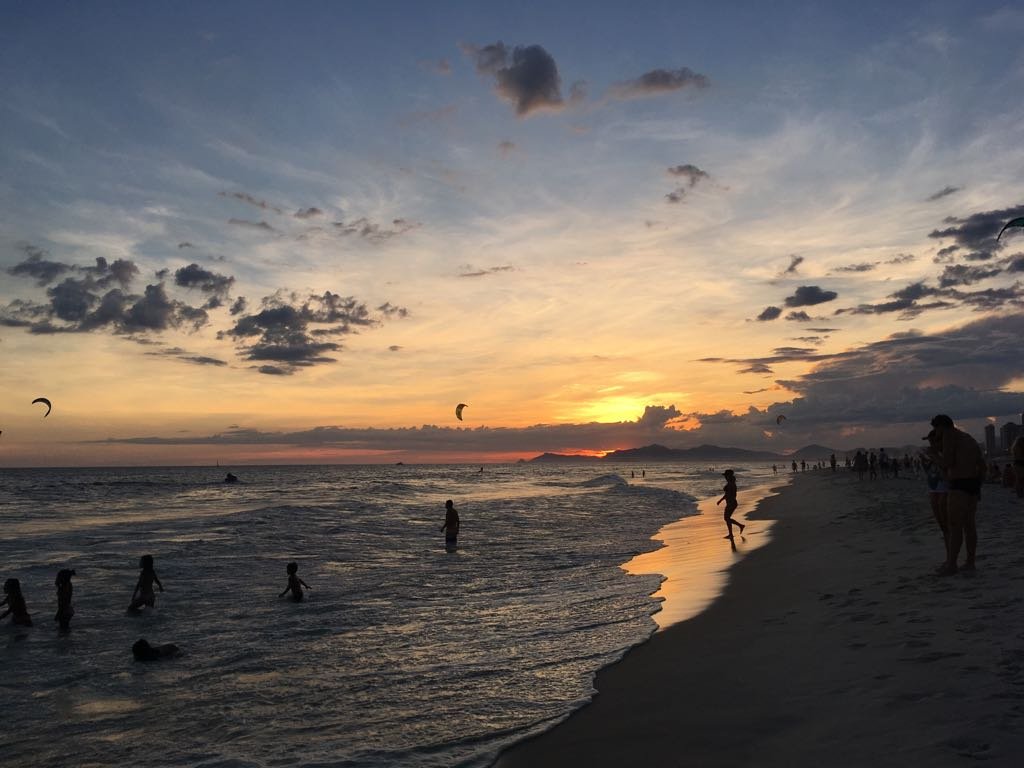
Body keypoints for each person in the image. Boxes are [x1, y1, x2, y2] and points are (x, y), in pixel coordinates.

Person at [929, 414, 987, 575]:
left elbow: (947, 462)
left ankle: (951, 564)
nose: (936, 433)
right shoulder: (967, 437)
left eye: (936, 429)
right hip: (973, 484)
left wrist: (932, 456)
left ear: (941, 427)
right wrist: (979, 486)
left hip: (959, 484)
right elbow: (982, 466)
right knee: (970, 526)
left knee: (955, 526)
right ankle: (970, 562)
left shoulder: (949, 435)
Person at [920, 430, 949, 564]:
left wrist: (933, 456)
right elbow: (930, 472)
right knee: (942, 526)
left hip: (944, 491)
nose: (930, 443)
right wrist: (924, 462)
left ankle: (951, 556)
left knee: (947, 525)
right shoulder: (933, 456)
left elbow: (946, 472)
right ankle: (949, 555)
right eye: (929, 441)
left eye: (932, 441)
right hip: (934, 490)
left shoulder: (944, 454)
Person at [716, 469, 745, 539]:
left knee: (726, 518)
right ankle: (732, 532)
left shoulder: (731, 484)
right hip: (731, 503)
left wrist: (720, 500)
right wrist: (721, 500)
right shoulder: (731, 483)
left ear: (728, 476)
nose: (725, 477)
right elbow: (727, 494)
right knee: (727, 518)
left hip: (731, 503)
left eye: (726, 476)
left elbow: (728, 494)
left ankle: (738, 528)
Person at [55, 568, 75, 633]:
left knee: (63, 630)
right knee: (64, 630)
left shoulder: (65, 587)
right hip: (67, 609)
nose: (57, 578)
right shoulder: (67, 585)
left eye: (58, 577)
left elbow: (64, 601)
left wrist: (59, 612)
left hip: (65, 610)